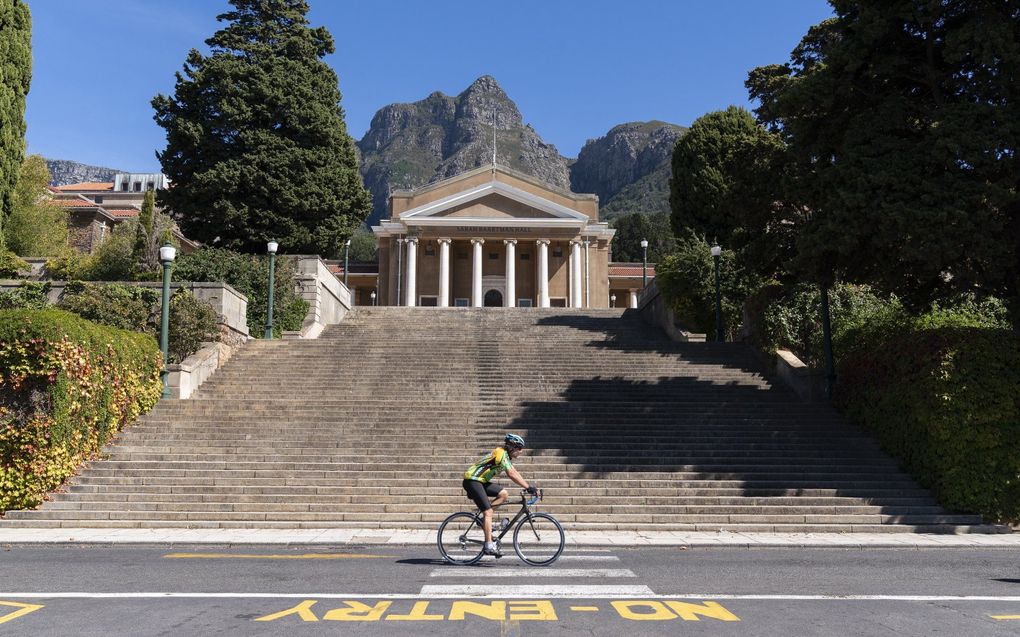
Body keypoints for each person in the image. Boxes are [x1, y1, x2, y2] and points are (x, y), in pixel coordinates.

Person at [463, 433, 536, 557]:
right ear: (512, 447)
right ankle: (488, 546)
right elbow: (511, 473)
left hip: (481, 481)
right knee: (488, 513)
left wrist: (528, 486)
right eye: (519, 448)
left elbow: (515, 472)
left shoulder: (505, 456)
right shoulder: (501, 453)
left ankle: (482, 520)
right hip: (472, 481)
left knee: (503, 494)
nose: (521, 451)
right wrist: (527, 487)